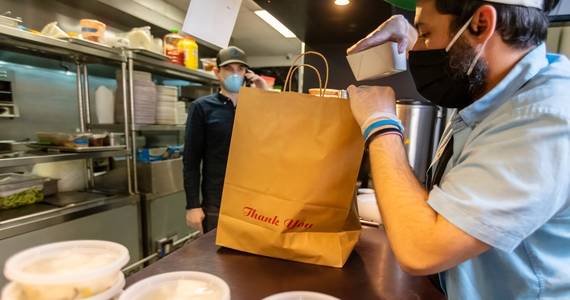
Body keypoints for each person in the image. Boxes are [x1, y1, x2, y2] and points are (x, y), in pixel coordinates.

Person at [347, 0, 569, 299]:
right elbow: (458, 51)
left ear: (480, 24)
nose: (418, 50)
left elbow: (422, 250)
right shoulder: (493, 84)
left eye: (425, 36)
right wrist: (415, 34)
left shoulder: (543, 119)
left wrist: (381, 124)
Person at [184, 46, 268, 233]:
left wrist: (265, 95)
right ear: (217, 72)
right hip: (217, 202)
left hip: (254, 201)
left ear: (247, 73)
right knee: (216, 259)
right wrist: (193, 205)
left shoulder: (256, 107)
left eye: (240, 69)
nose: (235, 74)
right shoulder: (202, 108)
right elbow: (191, 160)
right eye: (229, 69)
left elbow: (275, 140)